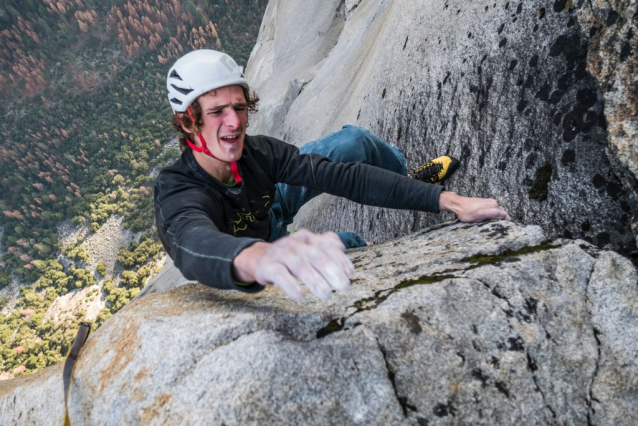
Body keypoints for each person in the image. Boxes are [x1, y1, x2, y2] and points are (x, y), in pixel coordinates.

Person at [154, 49, 510, 300]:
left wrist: (446, 200)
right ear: (188, 121)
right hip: (254, 253)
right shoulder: (178, 191)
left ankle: (408, 175)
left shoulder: (257, 152)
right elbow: (192, 241)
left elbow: (341, 177)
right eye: (217, 111)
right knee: (345, 244)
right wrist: (259, 258)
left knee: (353, 143)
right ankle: (358, 245)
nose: (234, 121)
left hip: (269, 205)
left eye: (239, 107)